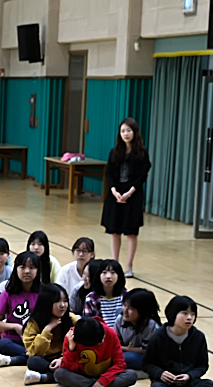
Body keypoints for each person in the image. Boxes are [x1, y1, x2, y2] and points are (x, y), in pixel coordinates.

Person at [144, 296, 213, 387]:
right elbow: (147, 364)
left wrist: (189, 376)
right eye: (185, 313)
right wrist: (160, 373)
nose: (189, 318)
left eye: (192, 314)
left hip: (189, 381)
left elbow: (202, 365)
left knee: (209, 384)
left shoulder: (198, 337)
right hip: (166, 382)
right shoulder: (158, 336)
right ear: (173, 313)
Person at [102, 117, 151, 277]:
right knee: (115, 231)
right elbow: (109, 173)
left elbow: (142, 175)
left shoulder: (142, 153)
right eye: (123, 131)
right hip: (115, 195)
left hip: (133, 196)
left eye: (128, 130)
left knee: (131, 232)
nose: (125, 133)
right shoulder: (114, 152)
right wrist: (114, 191)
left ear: (135, 132)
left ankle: (129, 266)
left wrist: (129, 193)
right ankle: (114, 264)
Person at [53, 316, 136, 387]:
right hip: (82, 377)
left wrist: (102, 381)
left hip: (107, 376)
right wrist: (72, 350)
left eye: (103, 337)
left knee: (131, 375)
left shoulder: (110, 333)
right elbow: (68, 367)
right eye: (98, 342)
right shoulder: (71, 338)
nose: (103, 340)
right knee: (59, 374)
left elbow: (120, 363)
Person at [22, 283, 78, 385]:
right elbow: (34, 352)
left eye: (65, 301)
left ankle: (45, 377)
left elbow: (79, 346)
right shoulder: (34, 322)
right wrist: (47, 330)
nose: (63, 305)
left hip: (66, 358)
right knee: (33, 361)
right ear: (46, 303)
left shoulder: (71, 319)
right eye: (57, 301)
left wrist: (62, 360)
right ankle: (58, 374)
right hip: (46, 360)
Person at [0, 252, 42, 368]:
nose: (27, 271)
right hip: (14, 339)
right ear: (16, 269)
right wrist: (15, 327)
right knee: (2, 344)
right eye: (22, 267)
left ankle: (16, 359)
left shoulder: (43, 292)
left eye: (32, 267)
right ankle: (32, 356)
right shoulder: (8, 293)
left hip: (36, 339)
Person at [115, 288, 161, 371]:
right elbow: (116, 342)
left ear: (142, 310)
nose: (125, 311)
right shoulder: (120, 319)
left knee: (126, 357)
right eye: (124, 305)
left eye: (131, 308)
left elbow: (146, 350)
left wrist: (122, 348)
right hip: (125, 350)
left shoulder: (151, 325)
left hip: (147, 358)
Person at [83, 259, 127, 329]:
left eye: (113, 272)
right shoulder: (91, 298)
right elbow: (88, 324)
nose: (108, 276)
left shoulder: (127, 296)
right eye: (104, 272)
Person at [56, 237, 94, 313]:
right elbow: (58, 292)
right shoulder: (65, 270)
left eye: (85, 251)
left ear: (92, 254)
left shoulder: (97, 270)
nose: (81, 254)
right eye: (78, 250)